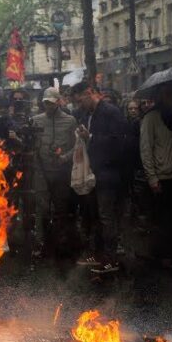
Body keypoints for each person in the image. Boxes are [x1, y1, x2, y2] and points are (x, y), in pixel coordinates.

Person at [70, 82, 130, 274]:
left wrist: (91, 137)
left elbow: (120, 142)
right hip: (95, 173)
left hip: (109, 174)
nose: (80, 106)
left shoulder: (111, 112)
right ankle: (98, 255)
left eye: (81, 101)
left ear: (90, 93)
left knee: (106, 217)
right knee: (95, 215)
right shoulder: (90, 114)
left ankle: (111, 259)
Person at [139, 86, 172, 270]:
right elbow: (146, 149)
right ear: (161, 95)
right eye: (169, 93)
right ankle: (164, 256)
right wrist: (152, 177)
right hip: (162, 175)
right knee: (163, 220)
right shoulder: (151, 117)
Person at [30, 87, 78, 258]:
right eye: (45, 103)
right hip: (42, 171)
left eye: (51, 102)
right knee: (41, 207)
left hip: (61, 172)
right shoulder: (36, 120)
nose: (48, 106)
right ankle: (40, 242)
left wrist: (64, 157)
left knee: (61, 208)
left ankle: (61, 242)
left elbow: (77, 146)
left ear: (58, 101)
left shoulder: (70, 121)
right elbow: (31, 146)